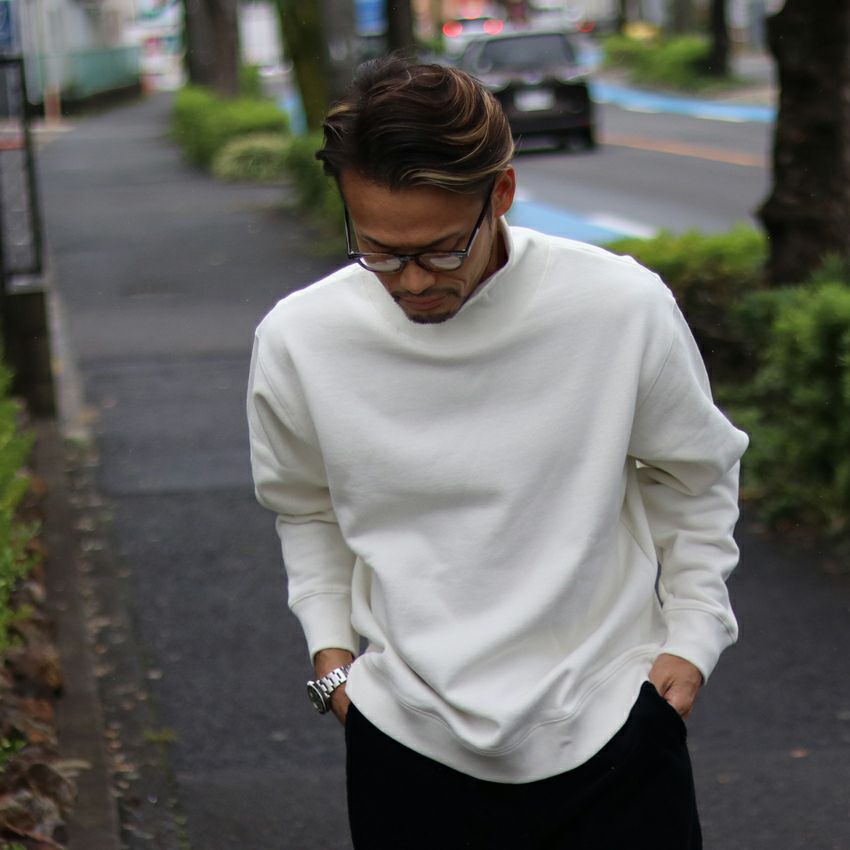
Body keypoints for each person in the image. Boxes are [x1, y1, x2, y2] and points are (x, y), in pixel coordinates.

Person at [247, 56, 748, 849]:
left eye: (443, 249)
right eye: (377, 250)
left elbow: (695, 476)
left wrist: (691, 639)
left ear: (502, 193)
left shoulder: (618, 307)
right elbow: (304, 505)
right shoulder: (301, 338)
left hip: (614, 728)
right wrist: (332, 660)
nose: (412, 280)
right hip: (404, 742)